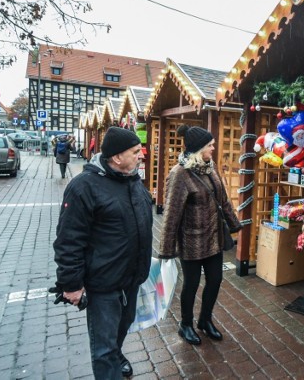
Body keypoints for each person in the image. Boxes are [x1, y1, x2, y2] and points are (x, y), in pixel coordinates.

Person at [53, 126, 153, 379]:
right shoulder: (84, 187)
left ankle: (116, 356)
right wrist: (71, 284)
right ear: (117, 157)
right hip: (103, 285)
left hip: (131, 280)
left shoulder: (133, 181)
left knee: (120, 331)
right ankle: (111, 364)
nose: (142, 154)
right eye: (135, 151)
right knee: (103, 349)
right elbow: (69, 239)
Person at [158, 125, 241, 345]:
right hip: (192, 241)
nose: (214, 148)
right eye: (210, 145)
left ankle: (205, 320)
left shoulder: (209, 167)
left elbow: (223, 200)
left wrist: (235, 225)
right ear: (199, 149)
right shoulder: (180, 174)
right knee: (191, 284)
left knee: (215, 280)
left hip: (214, 239)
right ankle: (186, 324)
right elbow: (171, 214)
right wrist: (166, 250)